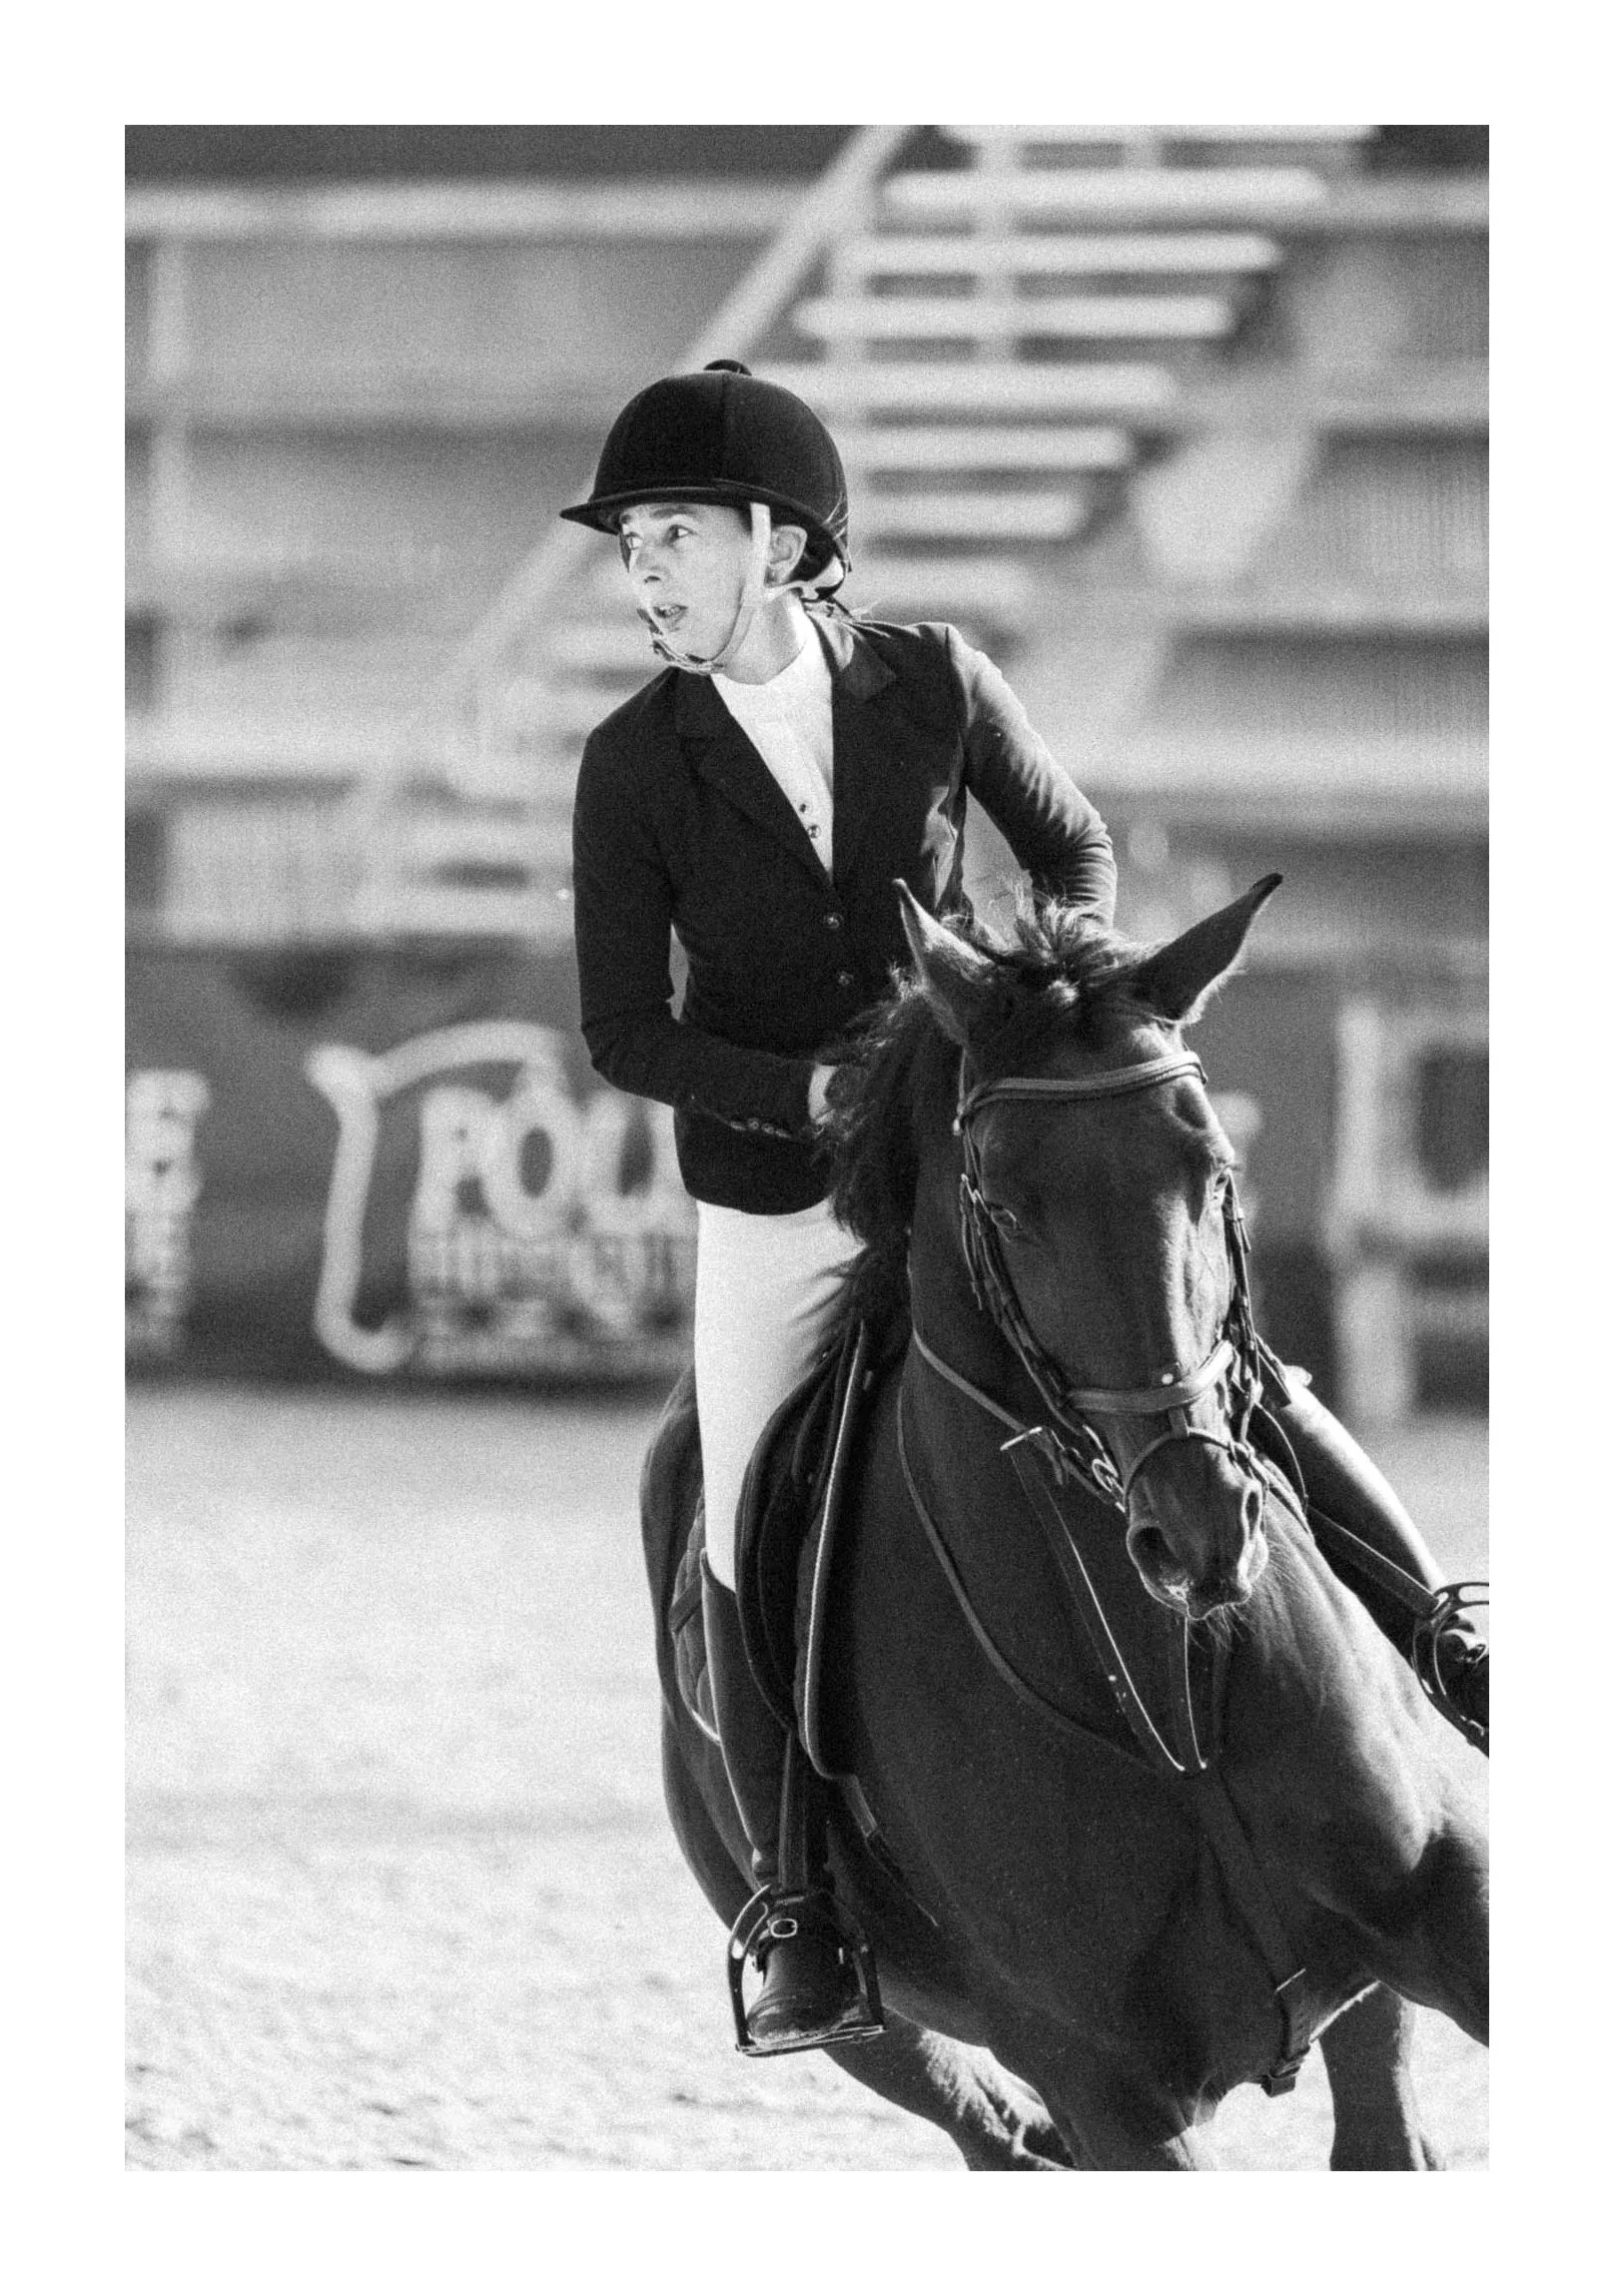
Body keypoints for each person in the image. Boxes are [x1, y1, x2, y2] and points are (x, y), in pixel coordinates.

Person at [563, 360, 1485, 2054]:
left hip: (973, 1156)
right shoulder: (633, 764)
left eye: (675, 537)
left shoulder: (929, 681)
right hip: (782, 1202)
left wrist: (1038, 1007)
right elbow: (627, 1025)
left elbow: (1073, 856)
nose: (646, 572)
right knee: (731, 1508)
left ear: (778, 542)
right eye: (634, 547)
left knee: (1215, 1378)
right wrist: (810, 1092)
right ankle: (796, 1898)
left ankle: (1436, 1630)